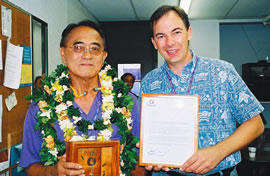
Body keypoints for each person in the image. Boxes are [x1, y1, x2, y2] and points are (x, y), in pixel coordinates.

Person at [140, 5, 265, 176]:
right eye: (161, 36)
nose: (169, 42)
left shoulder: (222, 71)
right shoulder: (149, 82)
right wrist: (149, 150)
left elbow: (256, 124)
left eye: (176, 32)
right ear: (154, 43)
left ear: (189, 33)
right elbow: (148, 132)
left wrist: (218, 152)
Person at [19, 20, 140, 175]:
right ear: (63, 53)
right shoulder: (41, 106)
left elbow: (138, 163)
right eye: (78, 47)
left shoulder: (128, 103)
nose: (87, 55)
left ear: (104, 57)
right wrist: (54, 171)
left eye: (95, 49)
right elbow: (30, 166)